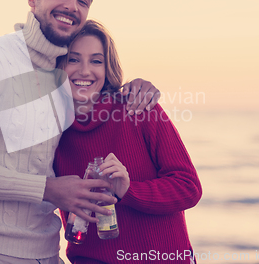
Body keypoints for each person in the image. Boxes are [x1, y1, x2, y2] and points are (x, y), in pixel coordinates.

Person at [0, 0, 160, 264]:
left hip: (44, 249)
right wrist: (48, 189)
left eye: (83, 0)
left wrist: (136, 86)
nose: (71, 6)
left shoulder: (61, 73)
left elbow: (96, 91)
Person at [54, 20, 202, 264]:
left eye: (96, 60)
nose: (84, 70)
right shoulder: (51, 130)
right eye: (73, 59)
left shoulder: (138, 109)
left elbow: (189, 188)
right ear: (59, 65)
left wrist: (128, 191)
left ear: (107, 67)